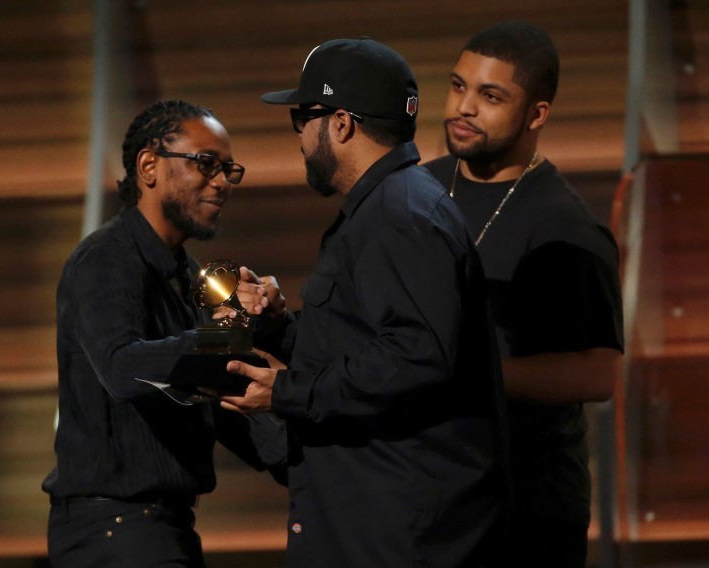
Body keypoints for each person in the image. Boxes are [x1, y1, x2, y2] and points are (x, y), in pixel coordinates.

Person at [212, 38, 510, 567]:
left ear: (341, 124)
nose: (300, 137)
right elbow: (365, 342)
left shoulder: (400, 216)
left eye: (303, 117)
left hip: (397, 536)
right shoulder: (388, 208)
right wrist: (280, 327)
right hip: (375, 524)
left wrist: (289, 392)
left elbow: (417, 354)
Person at [42, 99, 286, 568]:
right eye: (206, 164)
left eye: (228, 170)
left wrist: (317, 466)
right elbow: (122, 368)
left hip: (159, 530)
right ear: (149, 166)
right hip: (114, 531)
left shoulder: (193, 277)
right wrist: (220, 332)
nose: (221, 182)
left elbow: (222, 398)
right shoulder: (106, 258)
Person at [423, 21, 624, 568]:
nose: (464, 107)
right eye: (458, 86)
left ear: (537, 114)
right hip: (430, 495)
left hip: (527, 509)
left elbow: (598, 374)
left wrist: (466, 373)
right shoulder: (419, 189)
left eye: (490, 96)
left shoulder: (566, 227)